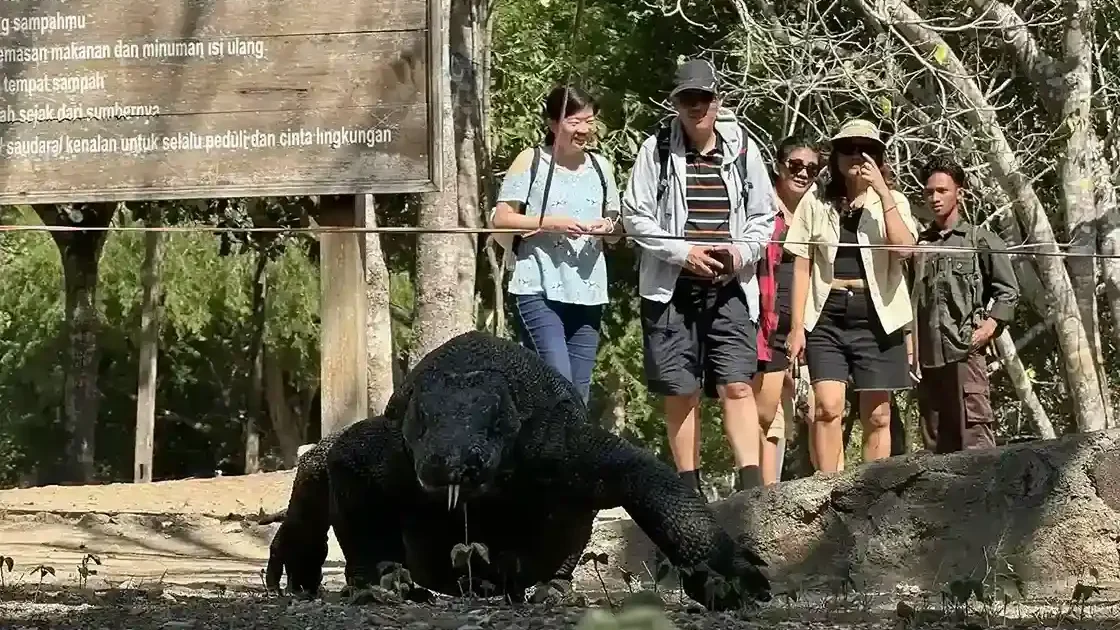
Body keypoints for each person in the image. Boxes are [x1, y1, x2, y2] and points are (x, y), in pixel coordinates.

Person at [622, 58, 777, 495]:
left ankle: (752, 489)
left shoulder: (743, 146)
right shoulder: (654, 148)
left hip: (729, 287)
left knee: (738, 386)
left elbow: (764, 216)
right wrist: (682, 252)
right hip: (670, 288)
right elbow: (635, 215)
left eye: (704, 97)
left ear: (717, 100)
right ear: (676, 103)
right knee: (680, 391)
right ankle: (687, 490)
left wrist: (739, 252)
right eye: (687, 98)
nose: (696, 106)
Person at [784, 117, 918, 473]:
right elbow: (800, 260)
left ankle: (870, 493)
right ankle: (829, 489)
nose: (857, 156)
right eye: (848, 149)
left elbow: (905, 250)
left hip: (879, 314)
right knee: (826, 407)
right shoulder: (815, 201)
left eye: (867, 150)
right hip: (826, 313)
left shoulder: (893, 202)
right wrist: (797, 327)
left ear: (878, 157)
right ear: (836, 157)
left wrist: (883, 192)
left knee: (878, 414)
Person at [490, 84, 621, 404]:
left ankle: (568, 453)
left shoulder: (602, 168)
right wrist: (550, 222)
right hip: (538, 287)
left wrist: (608, 227)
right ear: (552, 124)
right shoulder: (531, 160)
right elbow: (502, 218)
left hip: (589, 292)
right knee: (557, 383)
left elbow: (617, 228)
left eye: (589, 122)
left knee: (580, 392)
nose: (584, 130)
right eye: (575, 122)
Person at [910, 156, 1019, 452]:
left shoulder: (979, 239)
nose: (934, 198)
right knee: (936, 447)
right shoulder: (921, 245)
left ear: (959, 192)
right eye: (929, 191)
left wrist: (989, 327)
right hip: (929, 361)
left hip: (965, 354)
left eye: (942, 191)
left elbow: (1008, 291)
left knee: (975, 442)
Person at [753, 134, 823, 485]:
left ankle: (778, 492)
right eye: (795, 165)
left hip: (809, 318)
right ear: (779, 166)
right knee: (764, 412)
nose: (803, 173)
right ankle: (758, 494)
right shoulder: (762, 208)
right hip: (766, 316)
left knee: (804, 410)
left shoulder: (820, 210)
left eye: (812, 168)